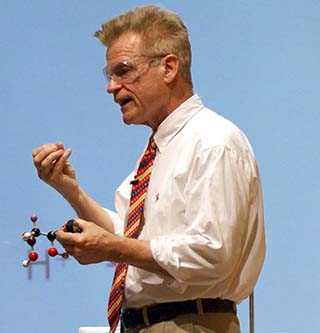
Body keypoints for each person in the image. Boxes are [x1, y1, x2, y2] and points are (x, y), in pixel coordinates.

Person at [32, 5, 266, 333]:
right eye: (109, 75)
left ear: (169, 67)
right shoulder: (160, 148)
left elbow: (212, 253)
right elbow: (131, 240)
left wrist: (113, 247)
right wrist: (69, 189)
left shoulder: (213, 141)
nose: (111, 87)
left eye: (123, 71)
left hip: (189, 323)